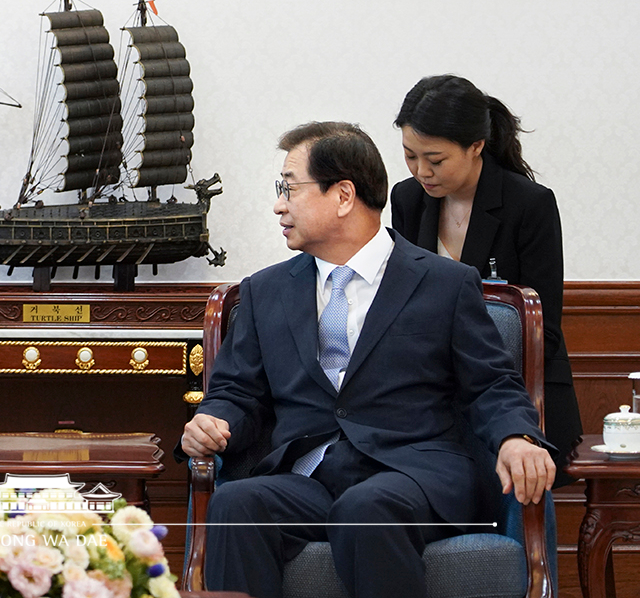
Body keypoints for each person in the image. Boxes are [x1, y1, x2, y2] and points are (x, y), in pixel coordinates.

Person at [181, 121, 555, 598]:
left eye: (289, 188)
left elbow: (491, 384)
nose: (279, 203)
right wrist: (212, 419)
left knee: (367, 507)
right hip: (310, 479)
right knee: (236, 503)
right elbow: (237, 391)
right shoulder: (265, 291)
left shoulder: (444, 283)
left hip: (413, 477)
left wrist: (517, 437)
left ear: (343, 196)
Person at [391, 74, 581, 485]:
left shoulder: (528, 204)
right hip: (433, 399)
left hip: (519, 392)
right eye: (410, 156)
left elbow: (543, 330)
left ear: (476, 146)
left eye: (436, 160)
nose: (422, 171)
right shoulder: (406, 200)